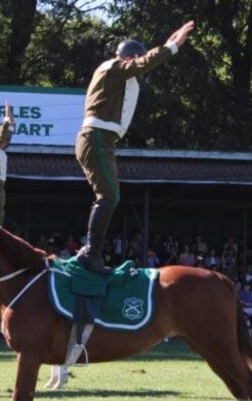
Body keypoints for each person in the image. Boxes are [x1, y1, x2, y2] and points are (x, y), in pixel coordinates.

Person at [74, 21, 195, 274]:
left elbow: (142, 62)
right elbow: (142, 63)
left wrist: (169, 41)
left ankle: (91, 252)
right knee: (109, 196)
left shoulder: (118, 73)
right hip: (97, 137)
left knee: (108, 195)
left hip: (101, 139)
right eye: (135, 60)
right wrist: (172, 47)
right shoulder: (114, 67)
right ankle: (91, 253)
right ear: (128, 57)